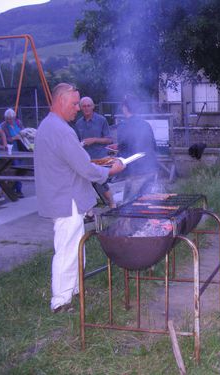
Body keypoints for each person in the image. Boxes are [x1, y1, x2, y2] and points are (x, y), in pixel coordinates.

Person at [34, 83, 125, 313]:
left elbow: (73, 163)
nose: (77, 108)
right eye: (74, 104)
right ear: (60, 101)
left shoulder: (48, 125)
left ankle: (74, 288)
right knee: (66, 249)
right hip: (66, 199)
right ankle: (61, 302)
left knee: (76, 246)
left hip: (63, 196)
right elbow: (84, 167)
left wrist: (97, 167)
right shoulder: (61, 130)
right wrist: (110, 171)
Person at [113, 94, 159, 202]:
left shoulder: (123, 126)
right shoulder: (146, 124)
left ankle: (125, 219)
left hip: (135, 172)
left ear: (125, 108)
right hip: (150, 169)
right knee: (145, 201)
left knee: (129, 205)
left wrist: (115, 157)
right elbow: (153, 147)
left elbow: (123, 149)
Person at [74, 97, 116, 208]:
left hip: (100, 158)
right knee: (84, 185)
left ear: (93, 106)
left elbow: (109, 139)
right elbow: (77, 142)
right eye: (84, 106)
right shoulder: (78, 124)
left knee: (101, 183)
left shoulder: (101, 120)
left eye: (89, 106)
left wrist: (94, 140)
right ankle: (89, 211)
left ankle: (112, 205)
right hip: (85, 159)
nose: (87, 108)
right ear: (81, 108)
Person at [1, 108, 26, 198]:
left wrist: (21, 136)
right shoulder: (3, 126)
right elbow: (3, 140)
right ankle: (18, 190)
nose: (10, 120)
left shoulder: (18, 123)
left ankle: (13, 188)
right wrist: (13, 138)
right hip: (11, 151)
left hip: (21, 149)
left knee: (21, 169)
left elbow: (24, 132)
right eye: (8, 119)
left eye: (11, 118)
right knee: (17, 168)